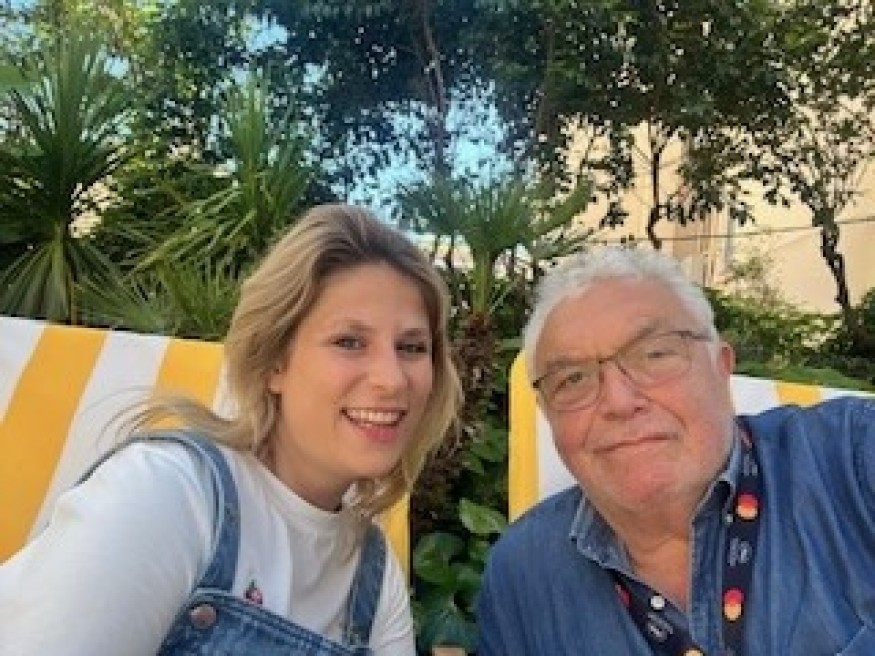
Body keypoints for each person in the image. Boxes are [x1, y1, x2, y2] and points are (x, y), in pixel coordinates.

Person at [0, 203, 461, 655]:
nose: (392, 379)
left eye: (411, 347)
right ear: (274, 362)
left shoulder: (372, 575)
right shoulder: (170, 493)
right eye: (349, 342)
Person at [476, 246, 875, 655]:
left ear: (721, 367)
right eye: (573, 379)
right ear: (548, 414)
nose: (618, 401)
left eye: (654, 354)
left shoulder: (851, 457)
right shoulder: (523, 576)